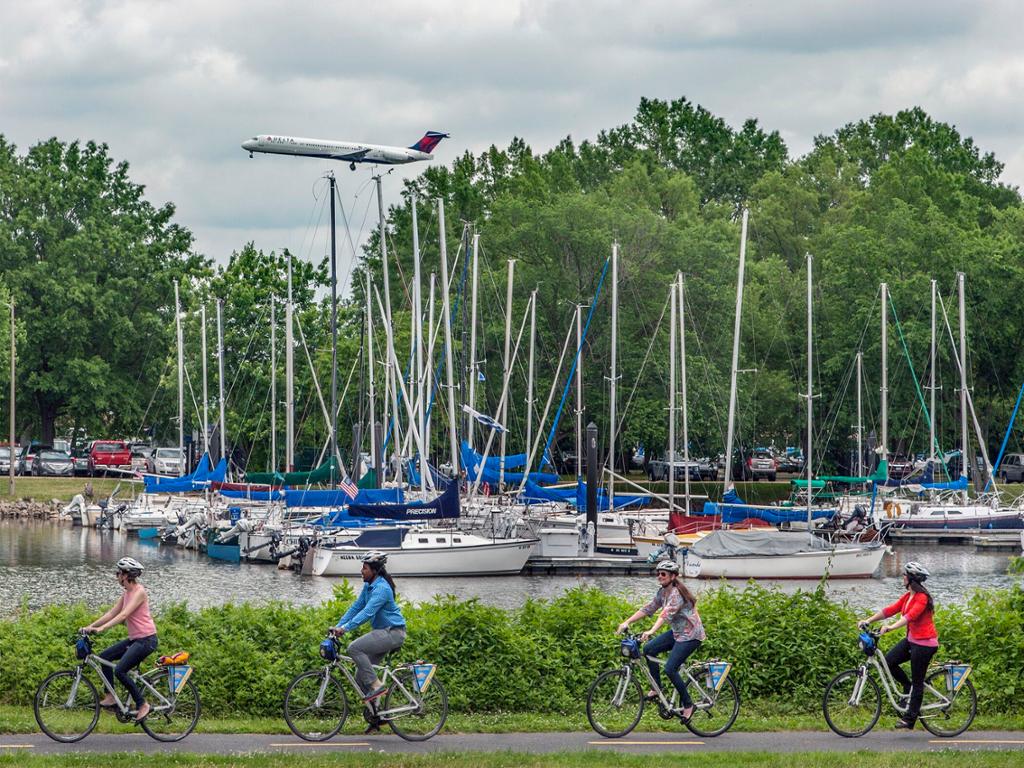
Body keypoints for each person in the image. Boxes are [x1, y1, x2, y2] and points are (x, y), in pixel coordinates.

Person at [617, 560, 705, 721]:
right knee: (649, 649)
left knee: (670, 669)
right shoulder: (662, 593)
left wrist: (651, 631)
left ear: (672, 576)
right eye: (658, 573)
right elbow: (649, 608)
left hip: (691, 635)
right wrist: (627, 622)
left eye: (663, 574)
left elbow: (664, 614)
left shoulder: (677, 594)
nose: (659, 576)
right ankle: (657, 688)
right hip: (678, 633)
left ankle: (688, 705)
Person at [858, 561, 938, 729]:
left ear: (911, 579)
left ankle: (910, 719)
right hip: (912, 641)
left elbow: (910, 616)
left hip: (925, 645)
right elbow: (890, 610)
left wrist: (891, 627)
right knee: (888, 662)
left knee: (918, 682)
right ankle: (906, 686)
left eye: (904, 575)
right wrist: (869, 620)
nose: (902, 577)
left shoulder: (922, 598)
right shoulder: (908, 596)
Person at [79, 557, 158, 723]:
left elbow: (123, 615)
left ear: (125, 575)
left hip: (146, 640)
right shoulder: (127, 593)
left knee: (120, 670)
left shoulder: (139, 592)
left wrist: (102, 629)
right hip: (135, 639)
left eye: (118, 573)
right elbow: (112, 613)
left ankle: (142, 704)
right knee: (105, 657)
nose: (116, 576)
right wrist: (90, 626)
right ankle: (111, 697)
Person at [330, 551, 406, 709]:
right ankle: (376, 714)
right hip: (383, 633)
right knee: (361, 675)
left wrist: (345, 628)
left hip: (393, 632)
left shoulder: (382, 589)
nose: (361, 571)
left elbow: (367, 612)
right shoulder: (369, 586)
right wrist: (338, 626)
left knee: (354, 648)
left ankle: (377, 686)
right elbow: (356, 607)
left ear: (374, 570)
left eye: (364, 568)